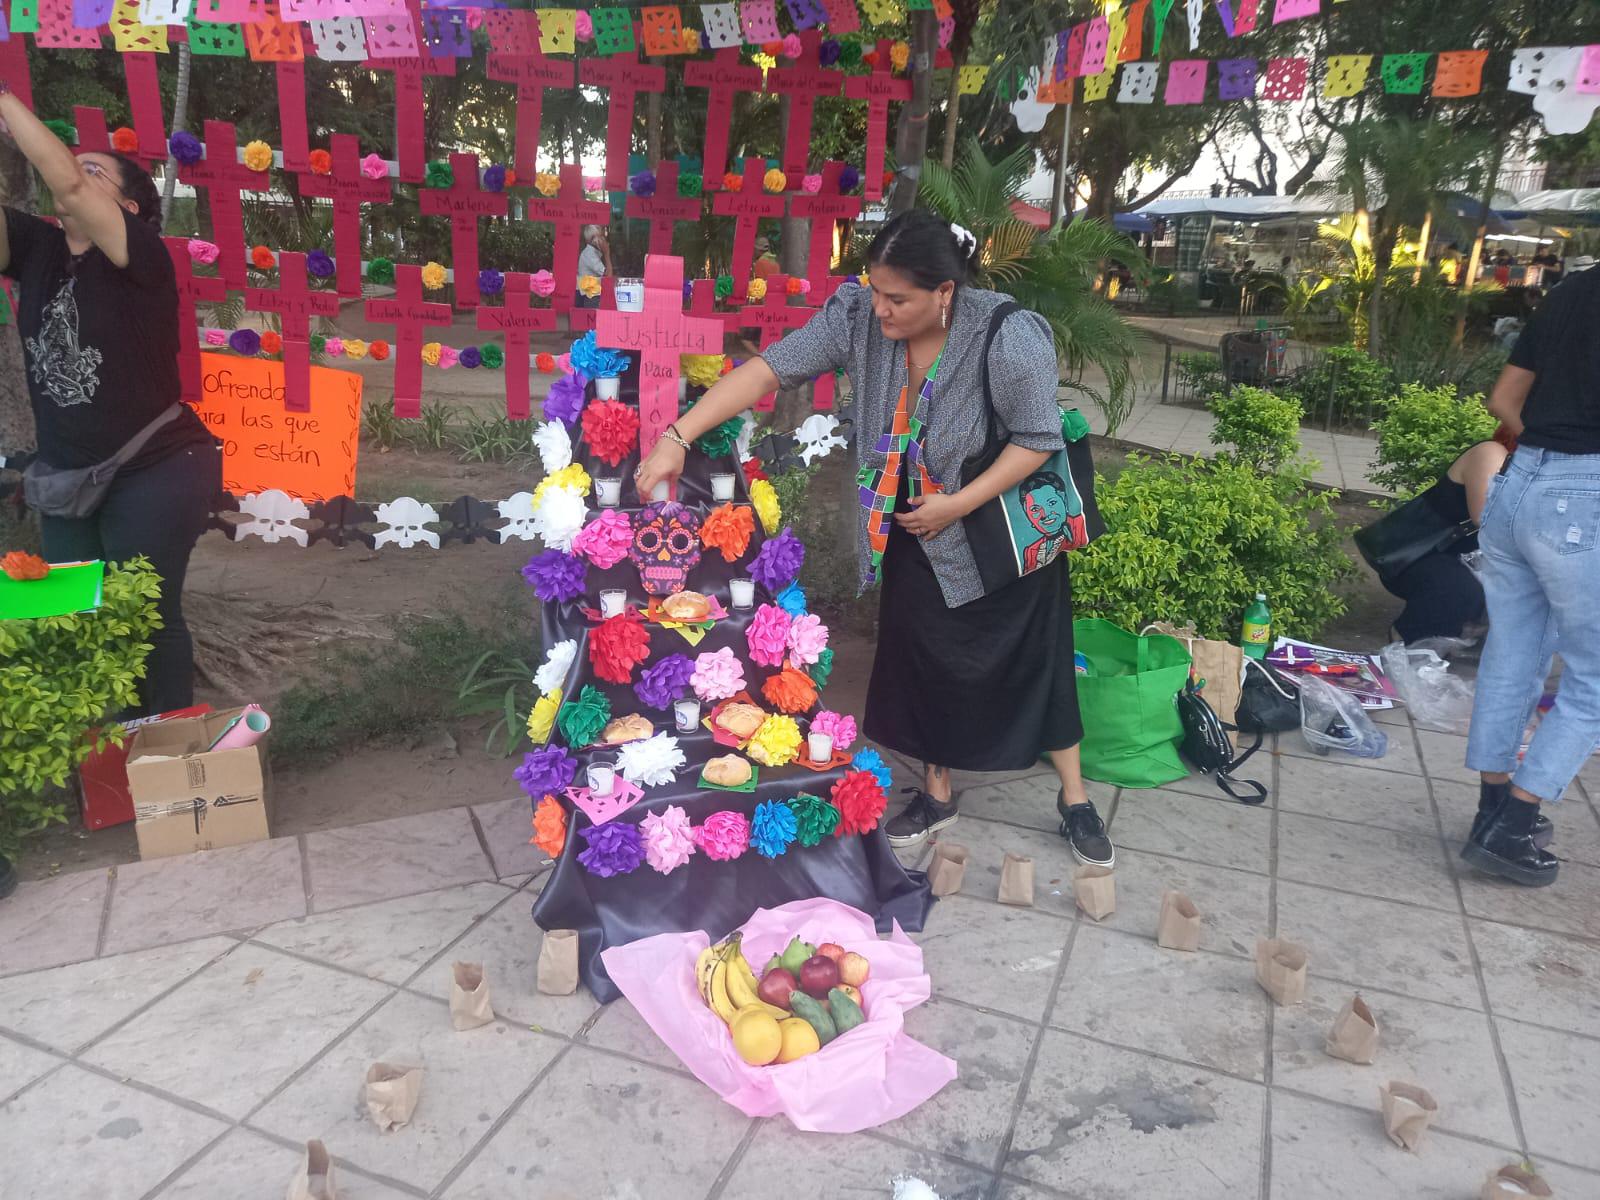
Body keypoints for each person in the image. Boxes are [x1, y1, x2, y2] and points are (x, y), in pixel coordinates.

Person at [635, 209, 1113, 867]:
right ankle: (937, 793)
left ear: (944, 292)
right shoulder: (858, 317)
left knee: (1037, 661)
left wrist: (958, 504)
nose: (880, 309)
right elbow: (769, 370)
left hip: (999, 530)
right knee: (926, 662)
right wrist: (676, 436)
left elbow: (1037, 438)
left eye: (898, 298)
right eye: (875, 290)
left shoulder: (1007, 336)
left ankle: (1075, 799)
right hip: (912, 524)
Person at [0, 85, 219, 723]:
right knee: (71, 607)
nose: (72, 174)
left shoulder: (141, 256)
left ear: (127, 207)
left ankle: (169, 748)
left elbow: (68, 187)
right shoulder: (38, 248)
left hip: (155, 468)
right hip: (67, 476)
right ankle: (101, 748)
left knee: (145, 613)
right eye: (74, 163)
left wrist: (5, 101)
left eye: (94, 171)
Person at [1461, 262, 1600, 888]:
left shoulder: (1572, 290)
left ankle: (1491, 810)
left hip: (1519, 483)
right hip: (1585, 499)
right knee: (1594, 678)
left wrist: (1550, 461)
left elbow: (1504, 400)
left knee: (1513, 653)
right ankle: (1515, 826)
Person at [1373, 440, 1506, 644]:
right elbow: (1485, 518)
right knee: (1463, 591)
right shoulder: (1491, 453)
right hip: (1420, 555)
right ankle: (1407, 639)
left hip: (1470, 561)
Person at [575, 224, 610, 308]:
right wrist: (607, 253)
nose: (604, 240)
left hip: (591, 293)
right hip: (590, 297)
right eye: (601, 237)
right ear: (593, 239)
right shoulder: (590, 254)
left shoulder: (594, 253)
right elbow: (608, 277)